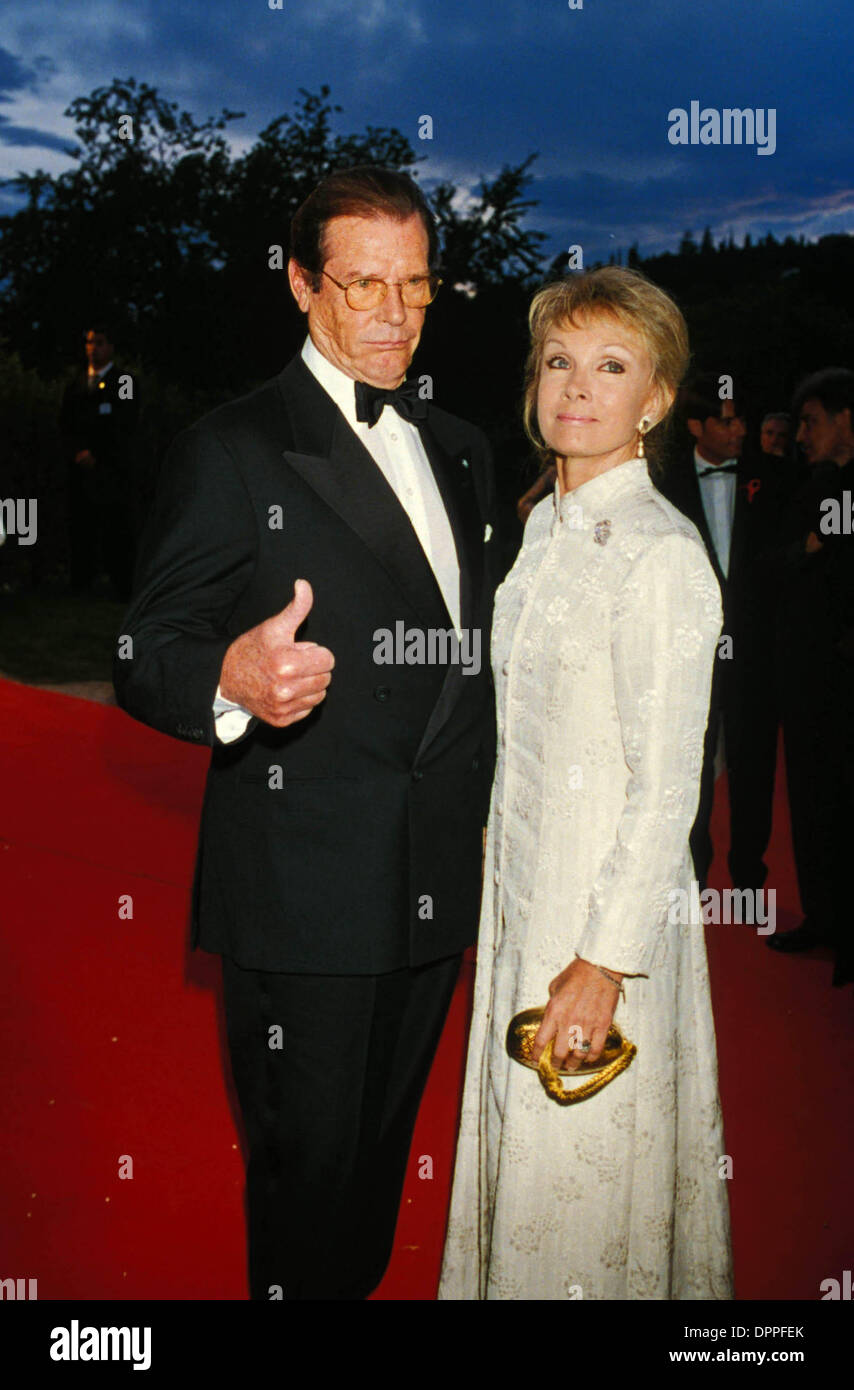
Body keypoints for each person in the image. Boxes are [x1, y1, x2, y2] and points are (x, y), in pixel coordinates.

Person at [113, 166, 500, 1299]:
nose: (393, 313)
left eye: (416, 284)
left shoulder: (464, 447)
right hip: (305, 890)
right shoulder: (235, 445)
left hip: (433, 875)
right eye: (362, 284)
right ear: (297, 284)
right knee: (305, 1177)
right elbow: (147, 648)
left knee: (378, 1169)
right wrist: (230, 676)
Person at [439, 268, 733, 1301]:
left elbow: (665, 791)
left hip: (599, 919)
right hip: (523, 895)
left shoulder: (658, 556)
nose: (577, 386)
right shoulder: (541, 530)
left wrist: (601, 963)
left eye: (611, 366)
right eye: (558, 361)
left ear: (655, 398)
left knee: (575, 1195)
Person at [658, 377, 786, 890]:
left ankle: (749, 875)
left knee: (755, 766)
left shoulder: (776, 477)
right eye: (728, 420)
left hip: (757, 650)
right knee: (689, 765)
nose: (742, 430)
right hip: (690, 653)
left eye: (742, 420)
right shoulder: (660, 482)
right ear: (697, 426)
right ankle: (692, 871)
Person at [767, 369, 854, 987]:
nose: (801, 434)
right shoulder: (816, 484)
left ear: (847, 418)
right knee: (812, 798)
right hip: (807, 672)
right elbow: (784, 559)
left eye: (812, 421)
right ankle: (825, 917)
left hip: (843, 671)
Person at [60, 321, 139, 599]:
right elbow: (65, 426)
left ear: (111, 347)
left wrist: (100, 456)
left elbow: (126, 425)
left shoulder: (124, 382)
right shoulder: (75, 385)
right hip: (79, 470)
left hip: (111, 469)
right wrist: (77, 452)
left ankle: (122, 586)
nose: (93, 349)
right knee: (81, 526)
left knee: (116, 527)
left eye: (100, 342)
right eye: (90, 342)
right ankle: (81, 584)